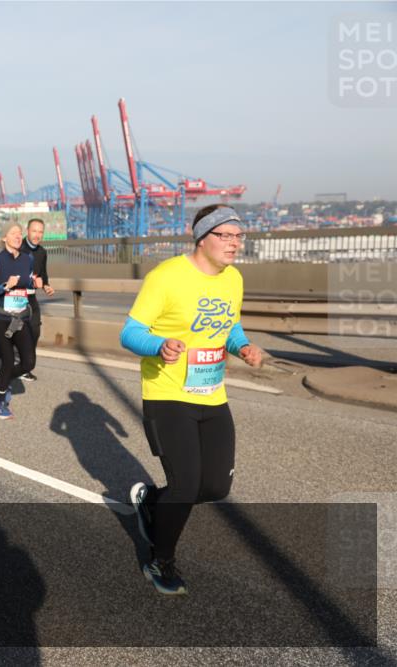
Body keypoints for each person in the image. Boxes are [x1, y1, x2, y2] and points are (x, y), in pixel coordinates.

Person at [123, 205, 264, 596]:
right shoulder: (166, 277)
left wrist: (243, 346)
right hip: (167, 394)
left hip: (212, 394)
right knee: (185, 485)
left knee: (216, 486)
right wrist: (159, 345)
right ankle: (160, 561)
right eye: (227, 236)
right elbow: (130, 332)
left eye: (239, 236)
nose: (235, 244)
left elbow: (229, 325)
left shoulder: (233, 279)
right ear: (203, 238)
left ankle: (152, 504)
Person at [0, 222, 36, 420]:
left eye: (20, 233)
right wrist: (4, 286)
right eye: (13, 233)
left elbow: (27, 284)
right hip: (0, 318)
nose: (18, 236)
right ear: (4, 238)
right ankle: (0, 401)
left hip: (19, 318)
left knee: (28, 363)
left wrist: (35, 283)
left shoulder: (28, 259)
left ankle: (3, 376)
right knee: (9, 360)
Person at [18, 217, 55, 381]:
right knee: (16, 332)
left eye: (40, 232)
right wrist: (32, 280)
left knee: (34, 330)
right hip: (15, 297)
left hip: (31, 297)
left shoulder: (42, 252)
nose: (37, 235)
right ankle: (3, 354)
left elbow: (43, 274)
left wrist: (46, 285)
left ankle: (25, 365)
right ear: (27, 231)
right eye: (34, 231)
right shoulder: (18, 249)